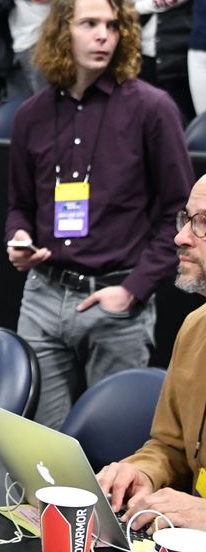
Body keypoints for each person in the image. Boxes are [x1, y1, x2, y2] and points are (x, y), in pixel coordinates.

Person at [5, 0, 193, 428]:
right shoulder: (31, 114)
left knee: (116, 455)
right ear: (62, 32)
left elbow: (180, 217)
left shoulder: (152, 108)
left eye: (112, 25)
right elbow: (19, 205)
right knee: (43, 448)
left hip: (116, 302)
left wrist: (132, 291)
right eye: (89, 23)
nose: (103, 35)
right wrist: (19, 238)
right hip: (44, 298)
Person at [98, 174, 206, 532]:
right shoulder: (195, 328)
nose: (181, 237)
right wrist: (143, 471)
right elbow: (172, 447)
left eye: (203, 223)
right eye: (186, 219)